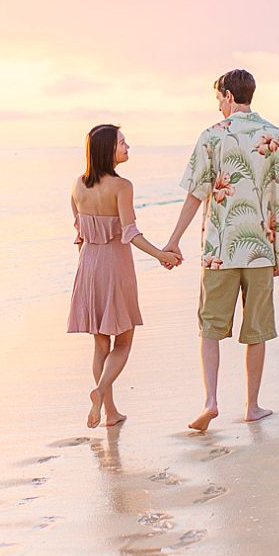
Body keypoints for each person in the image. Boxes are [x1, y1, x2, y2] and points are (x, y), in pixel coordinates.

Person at [164, 69, 279, 433]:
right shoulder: (278, 137)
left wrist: (174, 239)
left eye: (218, 99)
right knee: (256, 331)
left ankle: (210, 401)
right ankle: (252, 406)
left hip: (219, 251)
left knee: (210, 328)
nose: (218, 107)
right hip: (261, 250)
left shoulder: (211, 136)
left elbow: (196, 194)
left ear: (226, 95)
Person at [68, 124, 182, 428]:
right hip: (115, 267)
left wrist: (87, 275)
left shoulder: (77, 185)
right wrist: (161, 255)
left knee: (100, 343)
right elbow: (130, 232)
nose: (128, 146)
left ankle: (110, 411)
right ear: (108, 150)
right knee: (124, 340)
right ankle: (101, 391)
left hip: (88, 267)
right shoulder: (122, 186)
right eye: (122, 143)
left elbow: (79, 234)